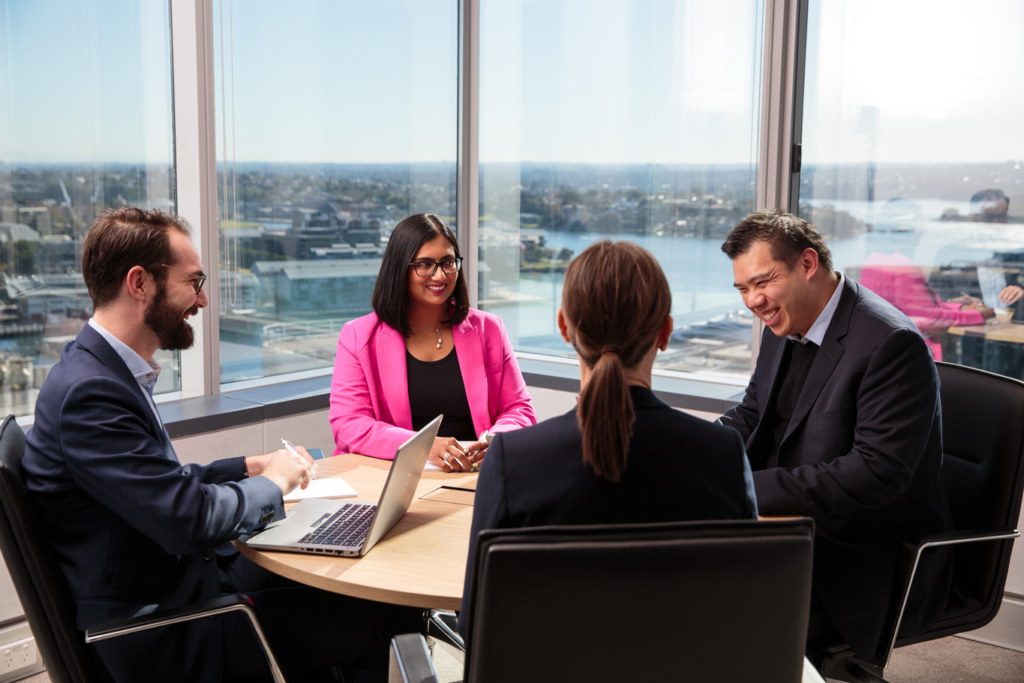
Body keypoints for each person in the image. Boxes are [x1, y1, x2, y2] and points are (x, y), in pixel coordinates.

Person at [21, 208, 420, 683]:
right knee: (385, 618)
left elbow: (156, 488)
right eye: (194, 282)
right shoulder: (90, 393)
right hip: (161, 629)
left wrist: (250, 465)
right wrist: (274, 482)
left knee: (348, 589)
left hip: (178, 585)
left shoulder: (98, 372)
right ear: (139, 282)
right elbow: (189, 520)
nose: (204, 299)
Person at [458, 240, 758, 639]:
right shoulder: (724, 455)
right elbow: (747, 612)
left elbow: (477, 625)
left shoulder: (513, 461)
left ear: (564, 327)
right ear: (665, 332)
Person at [719, 209, 954, 662]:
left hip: (861, 553)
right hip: (792, 529)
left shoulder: (891, 343)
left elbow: (876, 472)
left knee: (724, 614)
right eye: (743, 288)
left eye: (762, 282)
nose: (753, 301)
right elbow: (754, 412)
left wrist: (747, 489)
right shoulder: (785, 318)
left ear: (807, 264)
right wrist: (697, 453)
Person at [330, 213, 536, 472]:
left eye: (448, 262)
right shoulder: (358, 335)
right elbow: (348, 425)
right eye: (425, 264)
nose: (440, 276)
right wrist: (421, 445)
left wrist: (495, 441)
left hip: (476, 474)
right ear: (400, 268)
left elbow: (519, 409)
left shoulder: (489, 329)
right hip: (394, 475)